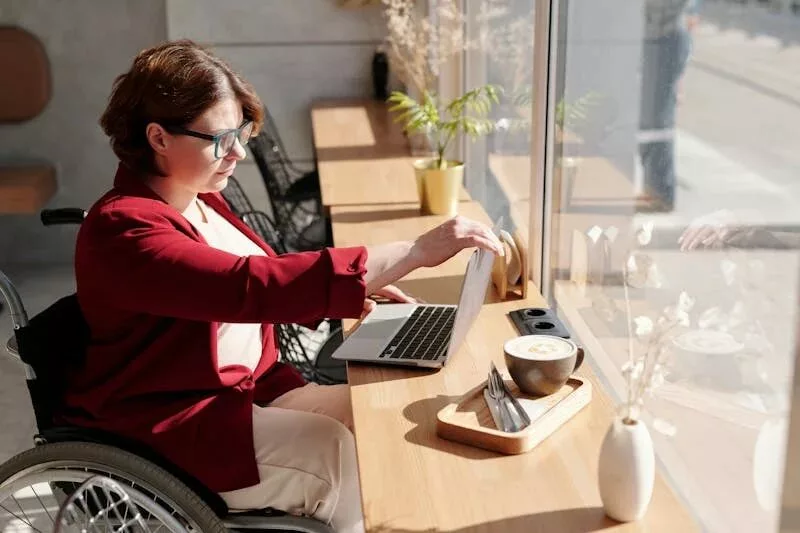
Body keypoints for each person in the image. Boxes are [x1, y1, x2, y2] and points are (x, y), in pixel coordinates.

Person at [60, 40, 504, 533]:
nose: (239, 152)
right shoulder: (125, 230)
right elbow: (248, 286)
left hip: (246, 391)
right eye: (220, 138)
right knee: (335, 453)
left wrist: (363, 291)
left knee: (380, 414)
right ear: (158, 138)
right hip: (177, 422)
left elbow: (263, 276)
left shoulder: (197, 197)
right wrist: (415, 252)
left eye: (242, 132)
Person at [637, 0, 693, 212]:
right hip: (652, 37)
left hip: (664, 38)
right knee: (648, 118)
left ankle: (661, 192)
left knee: (657, 121)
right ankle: (653, 188)